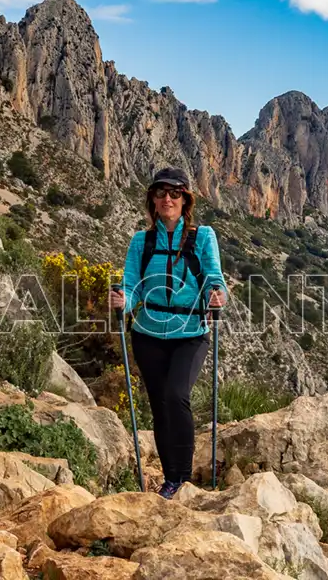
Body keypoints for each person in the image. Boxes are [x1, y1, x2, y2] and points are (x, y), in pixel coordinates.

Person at [108, 166, 228, 499]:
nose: (167, 199)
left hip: (191, 331)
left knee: (177, 396)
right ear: (153, 200)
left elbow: (214, 278)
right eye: (161, 193)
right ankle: (170, 479)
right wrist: (123, 299)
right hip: (147, 333)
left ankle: (183, 478)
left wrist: (217, 294)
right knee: (160, 405)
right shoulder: (141, 241)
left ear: (185, 200)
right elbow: (132, 284)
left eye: (175, 193)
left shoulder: (203, 236)